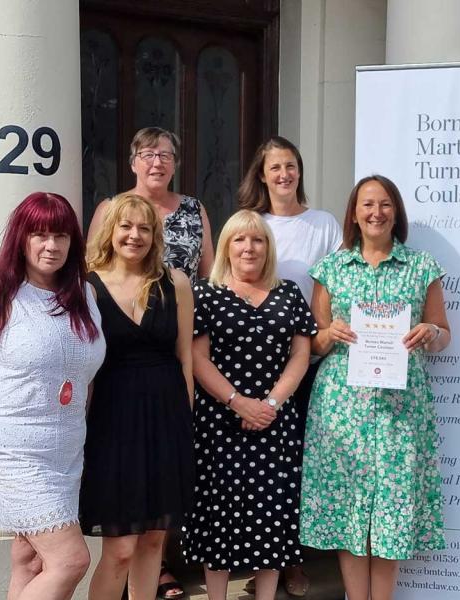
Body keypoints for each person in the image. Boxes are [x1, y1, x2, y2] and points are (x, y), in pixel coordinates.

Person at [0, 192, 105, 600]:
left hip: (66, 450)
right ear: (21, 238)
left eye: (61, 236)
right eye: (40, 235)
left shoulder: (85, 296)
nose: (51, 246)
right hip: (14, 447)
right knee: (71, 560)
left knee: (32, 559)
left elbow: (83, 375)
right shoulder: (0, 293)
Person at [299, 175, 451, 600]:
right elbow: (314, 341)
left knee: (390, 510)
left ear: (396, 212)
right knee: (351, 507)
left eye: (385, 204)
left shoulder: (422, 266)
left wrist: (429, 331)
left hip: (401, 406)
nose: (376, 213)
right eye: (367, 204)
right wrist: (333, 333)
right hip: (343, 405)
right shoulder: (331, 268)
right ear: (353, 213)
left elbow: (444, 334)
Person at [87, 126, 211, 598]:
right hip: (111, 419)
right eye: (126, 227)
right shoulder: (88, 286)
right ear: (110, 231)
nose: (135, 235)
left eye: (144, 228)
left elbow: (185, 358)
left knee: (155, 539)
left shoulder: (175, 282)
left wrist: (187, 419)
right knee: (118, 548)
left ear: (154, 234)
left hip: (166, 417)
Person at [181, 209, 317, 600]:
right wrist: (238, 402)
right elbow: (198, 357)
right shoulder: (204, 293)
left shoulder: (288, 292)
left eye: (257, 239)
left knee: (272, 513)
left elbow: (299, 356)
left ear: (267, 247)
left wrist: (271, 403)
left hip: (276, 421)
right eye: (240, 239)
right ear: (226, 246)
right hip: (219, 421)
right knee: (219, 513)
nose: (249, 247)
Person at [238, 136, 341, 597]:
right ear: (262, 174)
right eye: (275, 167)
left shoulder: (323, 224)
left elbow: (338, 281)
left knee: (300, 466)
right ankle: (258, 562)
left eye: (291, 166)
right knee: (259, 471)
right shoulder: (250, 224)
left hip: (312, 359)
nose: (284, 174)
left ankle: (293, 561)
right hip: (253, 368)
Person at [87, 126, 214, 282]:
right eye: (148, 155)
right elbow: (93, 266)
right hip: (125, 304)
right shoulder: (110, 208)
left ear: (175, 165)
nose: (157, 162)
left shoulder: (194, 209)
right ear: (133, 164)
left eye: (165, 155)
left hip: (185, 304)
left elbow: (209, 274)